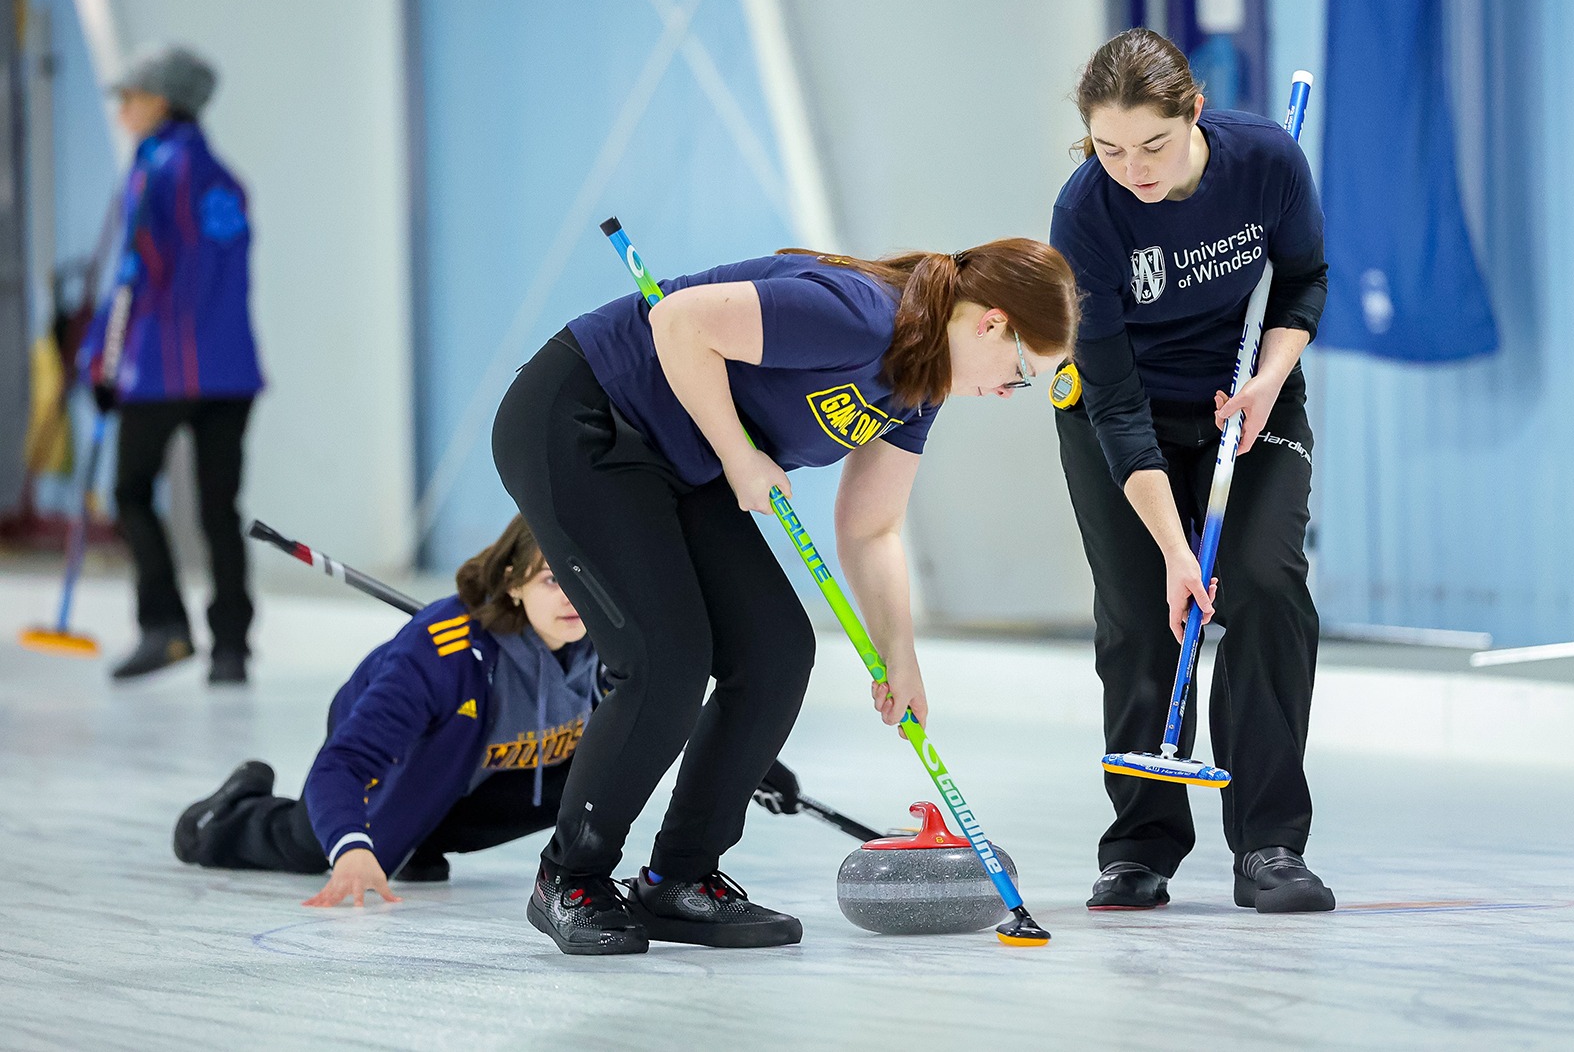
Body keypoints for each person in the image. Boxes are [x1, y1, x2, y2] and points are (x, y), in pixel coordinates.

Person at [493, 240, 1078, 954]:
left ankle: (679, 878)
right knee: (664, 660)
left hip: (681, 456)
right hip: (586, 417)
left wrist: (899, 654)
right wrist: (740, 458)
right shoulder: (861, 315)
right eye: (1020, 375)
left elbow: (871, 527)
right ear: (992, 323)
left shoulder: (921, 387)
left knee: (774, 652)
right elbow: (679, 322)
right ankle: (570, 877)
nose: (1007, 392)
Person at [1050, 29, 1334, 915]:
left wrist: (1267, 381)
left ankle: (1271, 844)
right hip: (1120, 410)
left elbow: (1301, 284)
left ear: (1194, 114)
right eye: (1108, 147)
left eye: (1153, 144)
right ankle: (1141, 843)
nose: (1132, 166)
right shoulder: (1085, 216)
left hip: (1249, 398)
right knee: (1142, 614)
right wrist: (1177, 549)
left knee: (1262, 581)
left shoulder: (1268, 165)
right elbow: (1115, 406)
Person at [171, 516, 598, 906]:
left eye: (581, 578)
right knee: (312, 845)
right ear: (512, 583)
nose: (571, 596)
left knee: (596, 778)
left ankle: (420, 836)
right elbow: (342, 764)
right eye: (550, 580)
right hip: (402, 754)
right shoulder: (441, 652)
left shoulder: (612, 640)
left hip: (477, 770)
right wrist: (351, 847)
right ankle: (220, 821)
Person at [75, 46, 265, 685]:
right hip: (232, 371)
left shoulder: (154, 170)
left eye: (130, 97)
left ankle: (166, 627)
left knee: (130, 491)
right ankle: (232, 647)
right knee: (219, 509)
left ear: (161, 101)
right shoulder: (226, 179)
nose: (124, 109)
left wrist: (101, 362)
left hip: (161, 369)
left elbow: (134, 278)